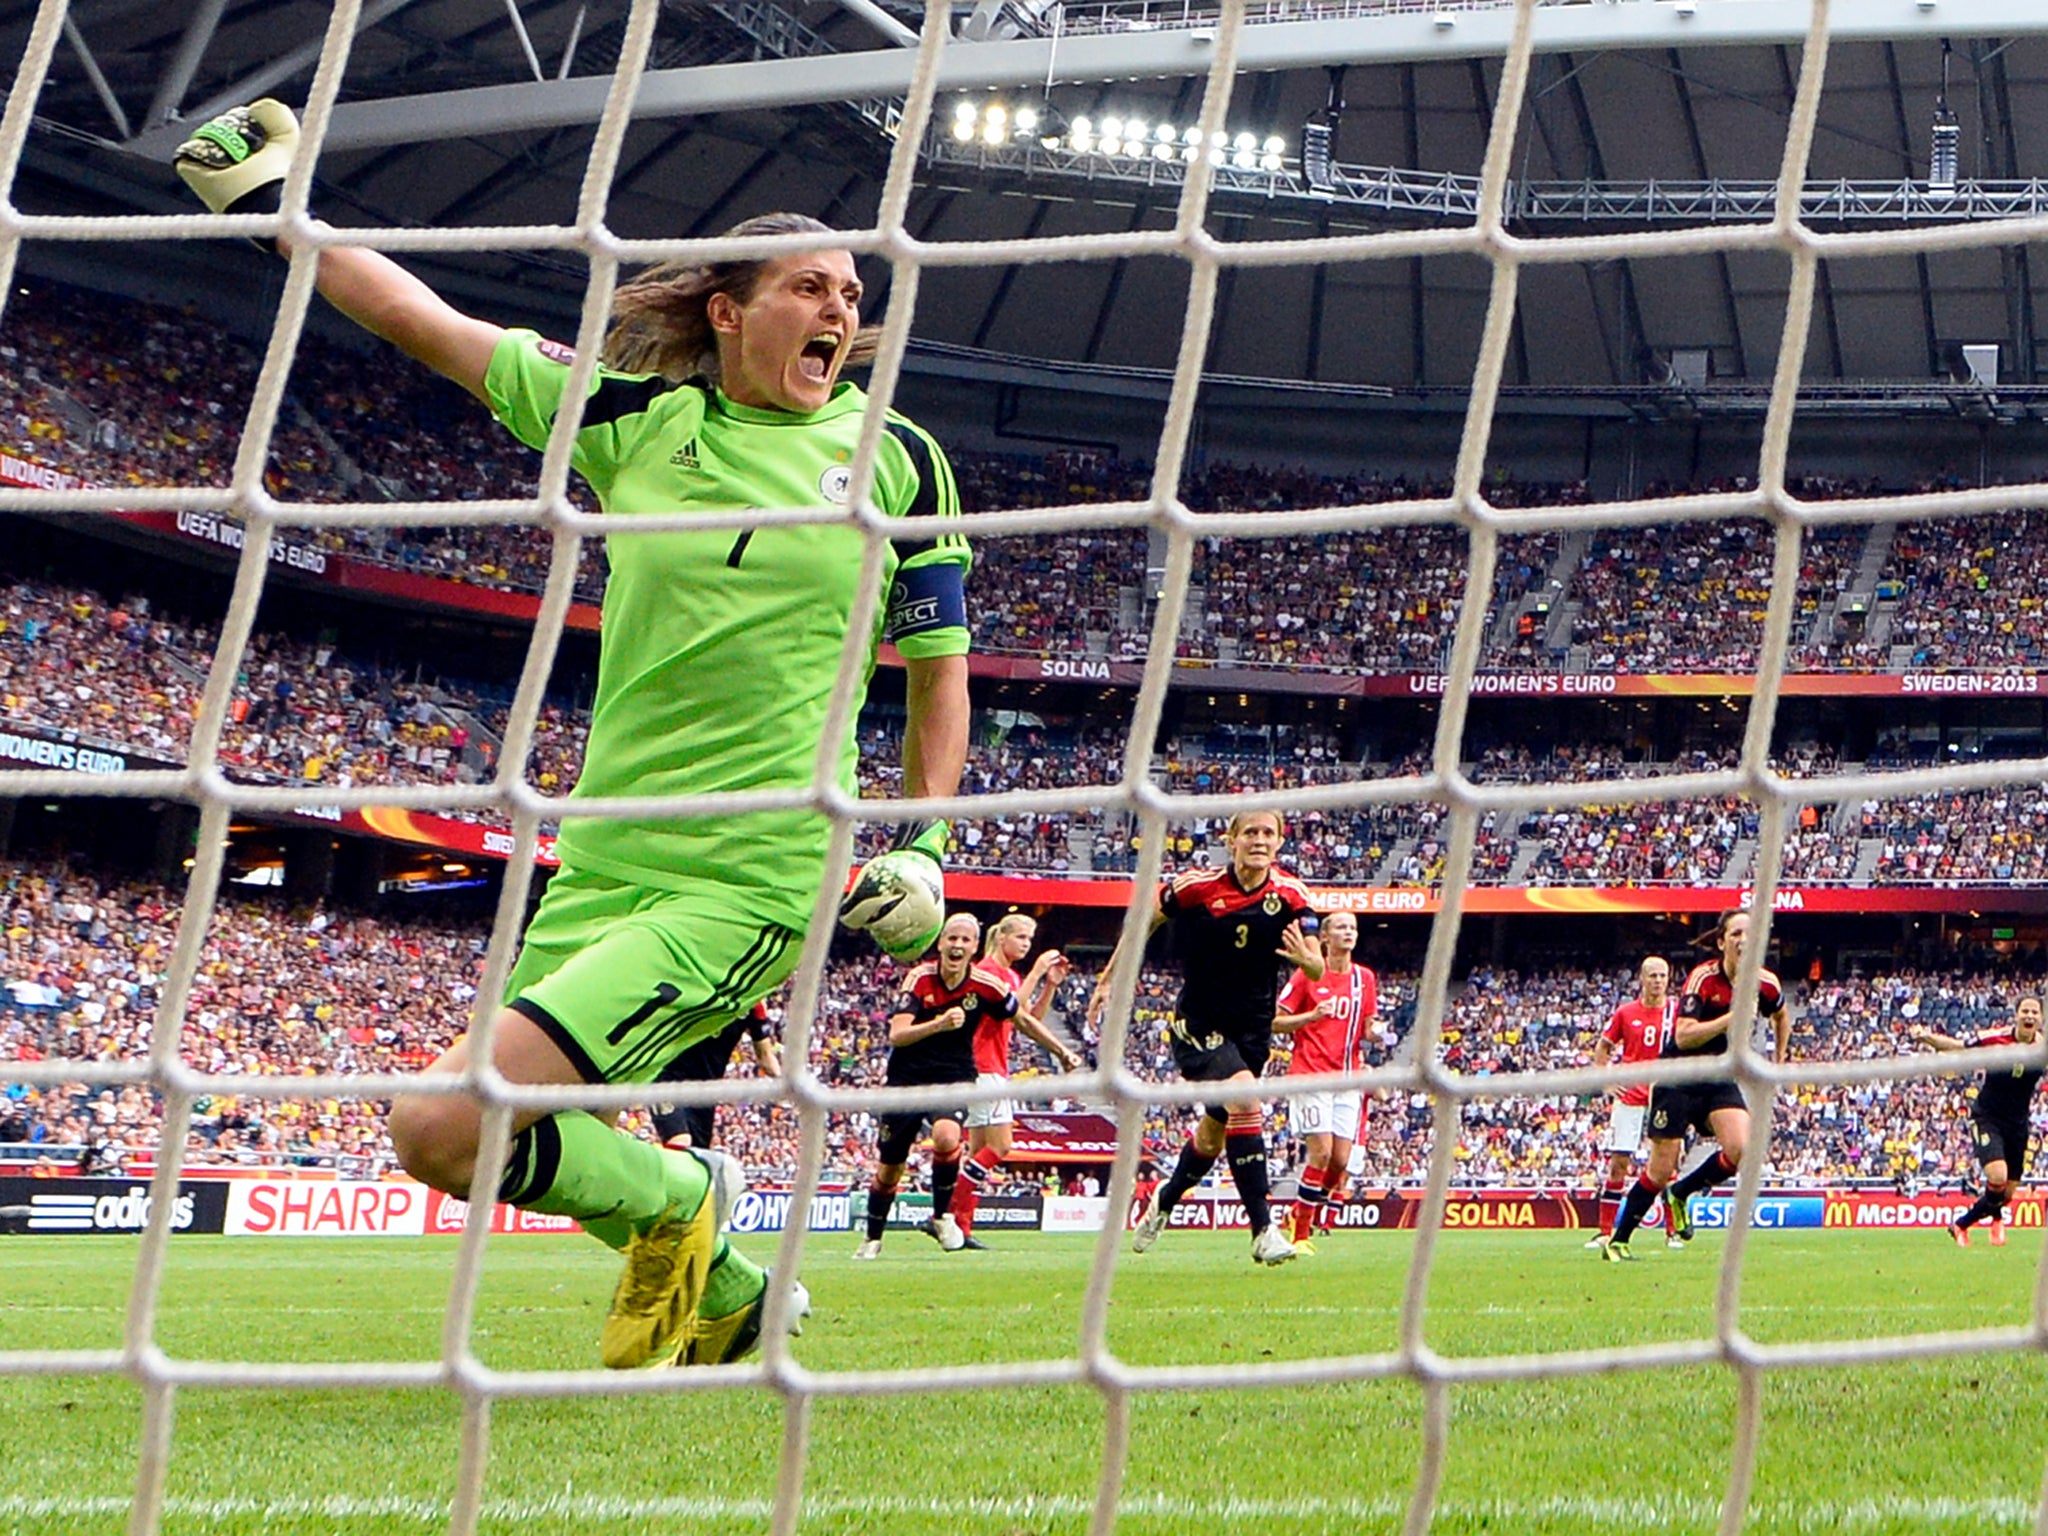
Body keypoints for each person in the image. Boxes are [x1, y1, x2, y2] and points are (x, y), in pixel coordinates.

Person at [176, 103, 973, 1368]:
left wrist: (925, 848)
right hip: (599, 866)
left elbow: (939, 678)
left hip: (748, 873)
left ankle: (681, 1203)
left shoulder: (895, 457)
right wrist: (284, 208)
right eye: (810, 285)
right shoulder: (629, 421)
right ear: (727, 308)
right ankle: (724, 1268)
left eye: (851, 291)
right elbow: (424, 322)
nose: (840, 308)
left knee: (445, 1110)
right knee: (444, 1140)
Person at [1087, 810, 1323, 1266]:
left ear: (1280, 842)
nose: (1259, 840)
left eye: (1268, 833)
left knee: (1214, 1137)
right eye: (1249, 832)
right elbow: (1143, 921)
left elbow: (1315, 965)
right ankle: (1263, 1230)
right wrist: (1110, 977)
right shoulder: (1196, 886)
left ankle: (1167, 1197)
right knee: (1246, 1099)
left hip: (1253, 1031)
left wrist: (1307, 961)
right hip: (1199, 1024)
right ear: (1230, 839)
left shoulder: (1293, 896)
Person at [1600, 912, 1788, 1261]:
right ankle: (1618, 1240)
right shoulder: (1703, 978)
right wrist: (1732, 1019)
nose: (1743, 939)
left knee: (1742, 1148)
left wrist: (1779, 1057)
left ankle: (1682, 1193)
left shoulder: (1766, 983)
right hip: (1679, 1077)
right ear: (1722, 942)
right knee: (1659, 1169)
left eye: (1751, 932)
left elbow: (1780, 1015)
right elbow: (1684, 1036)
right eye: (1735, 933)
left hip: (1719, 1076)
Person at [855, 914, 1019, 1259]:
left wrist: (1060, 1049)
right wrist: (939, 1024)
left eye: (965, 940)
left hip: (955, 1075)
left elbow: (1020, 1015)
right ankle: (872, 1238)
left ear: (975, 947)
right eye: (952, 939)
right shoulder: (919, 978)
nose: (957, 945)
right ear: (940, 943)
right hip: (907, 1080)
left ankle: (943, 1216)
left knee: (946, 1136)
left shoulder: (987, 984)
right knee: (890, 1170)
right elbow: (897, 1035)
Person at [937, 913, 1082, 1251]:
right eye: (1021, 938)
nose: (1026, 945)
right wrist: (1035, 973)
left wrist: (1049, 984)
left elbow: (1028, 1021)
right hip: (984, 1066)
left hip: (986, 1067)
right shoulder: (988, 971)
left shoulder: (1009, 975)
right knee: (1001, 1147)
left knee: (976, 1151)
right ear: (1001, 938)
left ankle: (960, 1227)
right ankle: (944, 1212)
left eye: (1029, 941)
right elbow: (1008, 1008)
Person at [1272, 909, 1376, 1251]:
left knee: (1341, 1162)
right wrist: (1311, 1016)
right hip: (1310, 1075)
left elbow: (1367, 1027)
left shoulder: (1365, 979)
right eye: (1341, 927)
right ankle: (1300, 1234)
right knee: (1321, 1154)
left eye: (1353, 928)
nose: (1349, 932)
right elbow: (1276, 1021)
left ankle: (1297, 1211)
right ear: (1326, 937)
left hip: (1347, 1078)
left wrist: (1377, 1034)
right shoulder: (1308, 975)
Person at [1909, 996, 2044, 1248]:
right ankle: (1994, 1218)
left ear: (2041, 1018)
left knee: (2007, 1192)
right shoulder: (1996, 1039)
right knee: (1997, 1175)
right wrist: (1927, 1037)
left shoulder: (2043, 1047)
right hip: (1988, 1117)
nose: (2029, 1016)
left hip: (2018, 1124)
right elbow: (1959, 1048)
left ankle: (1961, 1224)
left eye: (2034, 1012)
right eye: (2025, 1011)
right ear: (2016, 1015)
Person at [1585, 957, 1680, 1248]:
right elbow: (1603, 1047)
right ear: (1641, 978)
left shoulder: (1676, 1012)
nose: (1658, 981)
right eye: (1652, 975)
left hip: (1664, 1092)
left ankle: (1672, 1232)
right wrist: (1606, 1080)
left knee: (1667, 1164)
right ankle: (1604, 1233)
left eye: (1663, 976)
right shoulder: (1626, 1013)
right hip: (1630, 1094)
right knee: (1619, 1163)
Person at [651, 1002, 781, 1150]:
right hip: (666, 1077)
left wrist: (787, 1083)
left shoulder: (754, 1006)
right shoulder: (705, 987)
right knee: (680, 1141)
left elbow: (765, 1057)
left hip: (705, 1093)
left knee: (697, 1156)